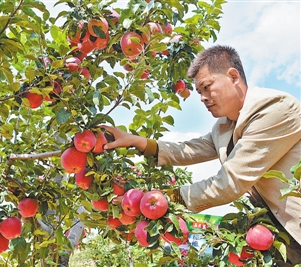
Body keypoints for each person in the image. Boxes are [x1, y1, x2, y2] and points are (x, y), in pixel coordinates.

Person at [101, 45, 301, 266]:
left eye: (207, 87)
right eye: (199, 92)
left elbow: (229, 183)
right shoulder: (223, 127)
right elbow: (190, 149)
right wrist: (137, 141)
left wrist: (165, 198)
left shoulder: (274, 109)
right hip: (277, 234)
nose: (203, 98)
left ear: (233, 76)